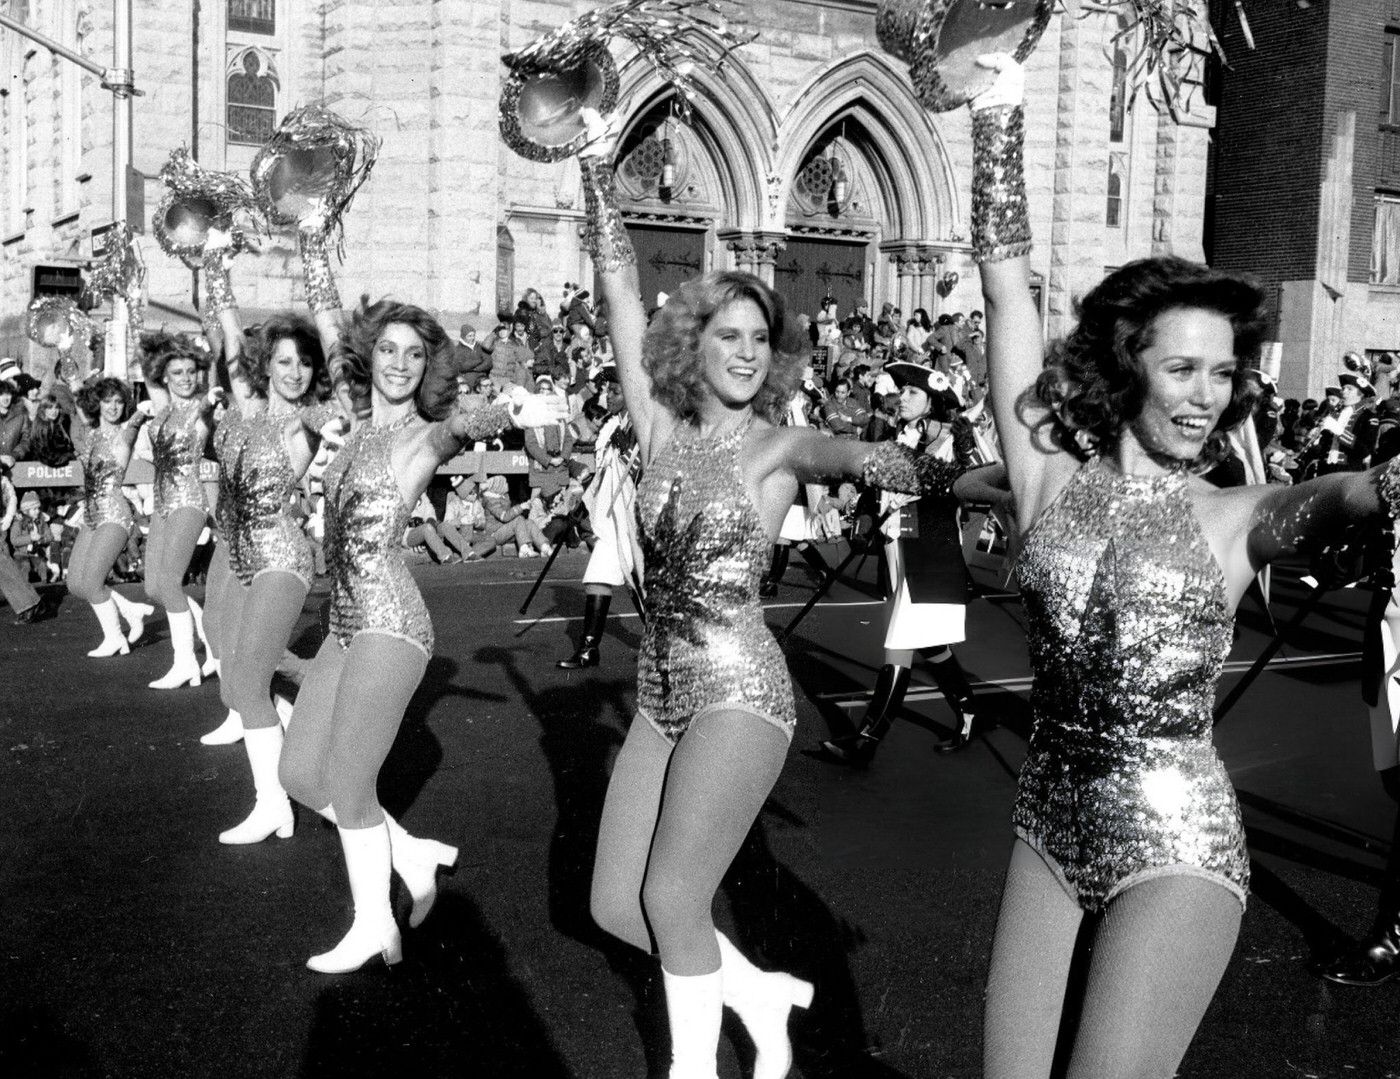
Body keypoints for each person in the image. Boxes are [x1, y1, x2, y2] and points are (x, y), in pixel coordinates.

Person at [970, 54, 1400, 1079]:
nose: (1205, 393)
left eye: (1221, 370)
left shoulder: (1233, 514)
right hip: (1044, 819)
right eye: (1179, 366)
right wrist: (994, 103)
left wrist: (1379, 487)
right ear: (1125, 366)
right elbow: (1003, 289)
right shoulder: (1043, 479)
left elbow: (1338, 494)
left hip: (1178, 840)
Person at [573, 108, 949, 1079]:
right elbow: (616, 288)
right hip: (659, 690)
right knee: (614, 905)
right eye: (726, 333)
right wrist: (586, 152)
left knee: (668, 898)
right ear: (692, 340)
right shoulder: (657, 426)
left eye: (758, 337)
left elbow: (850, 453)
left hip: (740, 688)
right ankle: (757, 990)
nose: (743, 349)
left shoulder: (776, 443)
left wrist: (908, 463)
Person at [275, 294, 565, 973]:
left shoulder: (417, 436)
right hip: (346, 624)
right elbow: (328, 311)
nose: (401, 363)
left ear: (429, 365)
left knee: (349, 786)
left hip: (392, 622)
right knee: (296, 771)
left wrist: (510, 411)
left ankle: (375, 926)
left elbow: (456, 431)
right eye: (389, 349)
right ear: (367, 355)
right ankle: (413, 854)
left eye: (416, 352)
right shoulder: (353, 428)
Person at [198, 227, 340, 839]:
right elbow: (231, 337)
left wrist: (314, 256)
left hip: (283, 557)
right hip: (241, 552)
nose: (296, 372)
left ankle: (274, 803)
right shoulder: (249, 410)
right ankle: (288, 724)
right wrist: (213, 261)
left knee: (242, 682)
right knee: (235, 670)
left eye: (304, 362)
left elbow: (336, 396)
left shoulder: (313, 419)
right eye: (284, 361)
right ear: (267, 365)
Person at [817, 362, 979, 765]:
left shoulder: (952, 440)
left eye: (911, 393)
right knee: (929, 642)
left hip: (930, 552)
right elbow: (877, 486)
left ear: (933, 401)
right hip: (898, 549)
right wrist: (852, 503)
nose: (900, 398)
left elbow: (970, 488)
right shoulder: (899, 435)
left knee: (900, 645)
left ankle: (867, 742)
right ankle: (971, 712)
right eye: (901, 391)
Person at [138, 331, 216, 690]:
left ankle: (185, 662)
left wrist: (210, 398)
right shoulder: (162, 407)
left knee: (170, 583)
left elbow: (206, 409)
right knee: (154, 586)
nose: (185, 379)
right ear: (164, 377)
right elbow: (145, 359)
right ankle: (206, 636)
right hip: (162, 504)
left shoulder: (201, 408)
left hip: (189, 501)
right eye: (177, 373)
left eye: (190, 372)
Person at [65, 377, 154, 655]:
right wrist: (67, 359)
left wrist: (139, 417)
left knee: (93, 583)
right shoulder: (92, 434)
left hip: (114, 515)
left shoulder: (124, 434)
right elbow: (80, 398)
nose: (114, 407)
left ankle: (115, 638)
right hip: (92, 516)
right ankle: (130, 609)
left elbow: (130, 433)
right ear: (98, 403)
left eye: (119, 401)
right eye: (108, 401)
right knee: (76, 584)